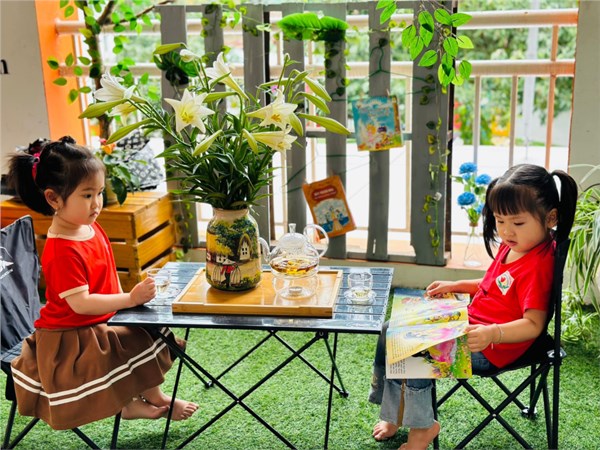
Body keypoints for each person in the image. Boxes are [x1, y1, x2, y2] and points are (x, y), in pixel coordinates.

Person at [368, 164, 578, 450]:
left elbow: (534, 325)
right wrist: (457, 285)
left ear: (551, 217)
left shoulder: (538, 265)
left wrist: (493, 333)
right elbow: (493, 283)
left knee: (414, 348)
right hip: (469, 322)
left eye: (517, 223)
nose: (506, 231)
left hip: (492, 346)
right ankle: (396, 414)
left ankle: (423, 427)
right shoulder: (515, 246)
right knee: (389, 330)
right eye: (500, 220)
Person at [7, 136, 199, 431]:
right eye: (87, 195)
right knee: (131, 340)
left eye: (98, 192)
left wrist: (130, 303)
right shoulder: (61, 249)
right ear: (54, 199)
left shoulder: (88, 226)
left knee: (148, 329)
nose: (96, 203)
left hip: (101, 319)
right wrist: (130, 299)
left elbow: (106, 274)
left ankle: (145, 398)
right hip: (71, 335)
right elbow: (81, 304)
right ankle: (138, 402)